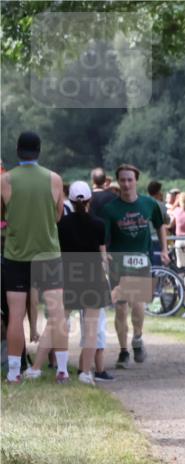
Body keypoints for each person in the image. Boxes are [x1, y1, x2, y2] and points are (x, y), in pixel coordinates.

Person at [1, 131, 69, 384]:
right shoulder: (54, 179)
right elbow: (59, 215)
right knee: (56, 312)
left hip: (16, 255)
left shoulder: (5, 180)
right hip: (48, 254)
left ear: (18, 151)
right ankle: (61, 369)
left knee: (16, 314)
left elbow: (2, 216)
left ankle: (13, 372)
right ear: (39, 151)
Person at [101, 164, 169, 368]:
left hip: (140, 260)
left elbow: (160, 226)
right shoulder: (110, 209)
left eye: (130, 180)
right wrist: (103, 257)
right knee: (120, 309)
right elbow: (103, 238)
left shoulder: (149, 204)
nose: (126, 184)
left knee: (138, 304)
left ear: (136, 181)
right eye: (122, 180)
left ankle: (137, 338)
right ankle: (123, 351)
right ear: (118, 181)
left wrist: (164, 249)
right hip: (118, 262)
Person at [58, 181, 111, 385]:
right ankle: (85, 372)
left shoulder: (61, 224)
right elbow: (102, 256)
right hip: (93, 277)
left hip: (70, 276)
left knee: (60, 321)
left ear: (69, 200)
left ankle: (61, 368)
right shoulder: (99, 224)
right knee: (91, 329)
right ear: (90, 200)